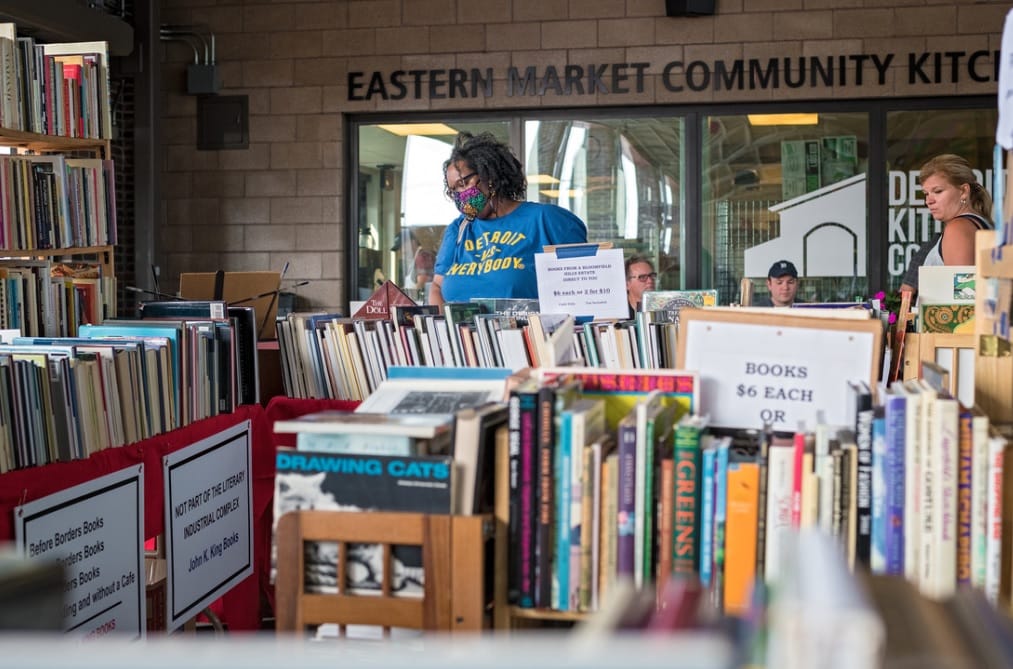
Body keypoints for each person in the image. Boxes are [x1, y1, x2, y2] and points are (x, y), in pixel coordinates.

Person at [429, 132, 588, 307]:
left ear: (488, 175)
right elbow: (437, 287)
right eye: (453, 191)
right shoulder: (458, 229)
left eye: (462, 183)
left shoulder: (546, 220)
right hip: (461, 326)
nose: (459, 195)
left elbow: (584, 284)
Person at [900, 154, 993, 294]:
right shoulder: (980, 224)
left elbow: (965, 296)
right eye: (926, 193)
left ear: (963, 191)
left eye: (938, 191)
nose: (928, 201)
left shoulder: (958, 229)